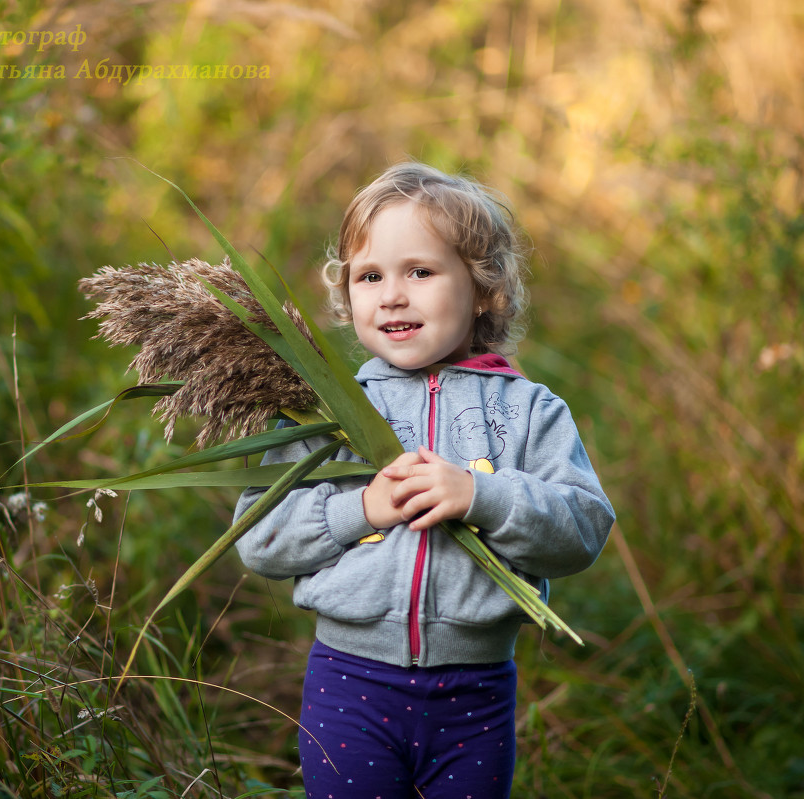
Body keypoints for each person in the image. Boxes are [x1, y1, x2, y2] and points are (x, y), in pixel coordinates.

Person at [233, 161, 615, 798]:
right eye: (370, 276)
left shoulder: (527, 410)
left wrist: (480, 496)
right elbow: (259, 540)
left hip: (475, 694)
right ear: (347, 292)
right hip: (349, 682)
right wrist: (362, 507)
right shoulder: (325, 414)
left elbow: (581, 530)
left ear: (484, 288)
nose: (392, 295)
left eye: (421, 271)